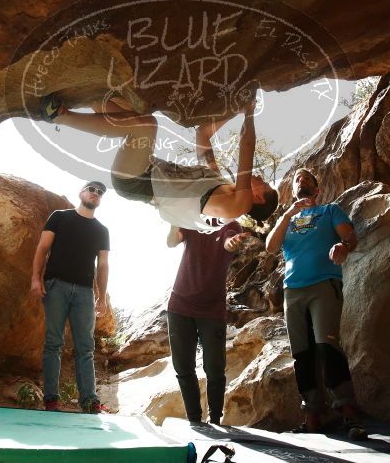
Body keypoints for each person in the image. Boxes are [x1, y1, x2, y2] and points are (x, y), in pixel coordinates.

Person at [36, 93, 278, 231]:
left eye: (264, 185)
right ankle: (88, 93)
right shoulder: (215, 180)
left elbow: (247, 147)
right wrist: (235, 109)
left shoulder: (236, 206)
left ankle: (59, 115)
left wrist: (249, 112)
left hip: (138, 183)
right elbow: (203, 135)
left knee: (146, 125)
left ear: (256, 197)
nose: (262, 179)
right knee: (132, 110)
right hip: (146, 168)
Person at [265, 168, 368, 440]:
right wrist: (288, 214)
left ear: (317, 189)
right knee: (301, 353)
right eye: (299, 180)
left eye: (308, 179)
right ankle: (312, 415)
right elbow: (270, 247)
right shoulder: (287, 220)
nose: (303, 182)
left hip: (324, 284)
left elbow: (350, 237)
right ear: (294, 189)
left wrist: (343, 246)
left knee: (328, 346)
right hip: (292, 290)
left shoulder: (329, 210)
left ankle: (348, 412)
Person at [30, 180, 110, 413]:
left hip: (85, 292)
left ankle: (89, 401)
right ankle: (51, 400)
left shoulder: (101, 230)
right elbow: (42, 249)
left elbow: (103, 265)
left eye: (100, 192)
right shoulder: (60, 217)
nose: (96, 194)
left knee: (85, 347)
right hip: (56, 286)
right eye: (92, 189)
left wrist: (102, 297)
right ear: (82, 192)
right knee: (53, 343)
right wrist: (36, 278)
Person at [166, 221, 250, 425]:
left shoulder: (232, 225)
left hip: (212, 310)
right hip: (180, 305)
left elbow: (229, 242)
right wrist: (173, 218)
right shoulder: (192, 218)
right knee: (183, 367)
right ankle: (194, 419)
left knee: (214, 368)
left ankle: (215, 420)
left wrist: (234, 242)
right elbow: (171, 242)